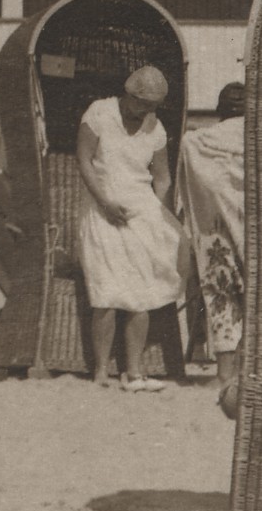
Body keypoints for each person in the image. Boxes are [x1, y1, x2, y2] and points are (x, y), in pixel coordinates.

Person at [71, 63, 184, 391]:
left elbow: (162, 178)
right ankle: (101, 371)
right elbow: (84, 160)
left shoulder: (155, 126)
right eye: (142, 104)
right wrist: (105, 202)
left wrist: (155, 210)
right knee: (106, 292)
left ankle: (133, 371)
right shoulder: (99, 113)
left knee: (141, 293)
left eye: (152, 107)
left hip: (141, 214)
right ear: (128, 94)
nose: (147, 111)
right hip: (102, 210)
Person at [179, 81, 248, 419]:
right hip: (255, 232)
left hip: (215, 235)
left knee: (221, 299)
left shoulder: (199, 143)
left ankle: (224, 376)